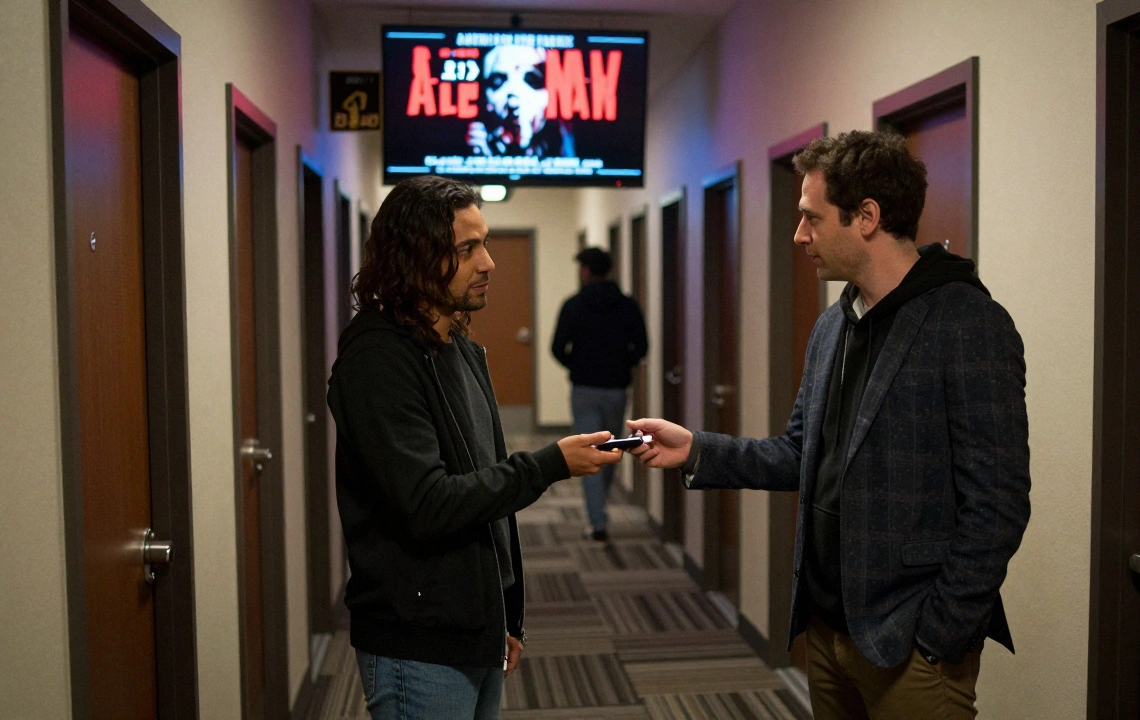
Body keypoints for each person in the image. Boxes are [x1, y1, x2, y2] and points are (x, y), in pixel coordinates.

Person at [628, 131, 1031, 720]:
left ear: (866, 217)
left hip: (912, 647)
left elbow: (998, 502)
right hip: (826, 631)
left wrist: (940, 633)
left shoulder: (966, 323)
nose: (799, 236)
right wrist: (696, 450)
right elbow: (800, 453)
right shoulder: (833, 327)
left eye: (811, 218)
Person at [327, 175, 622, 720]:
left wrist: (503, 615)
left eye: (484, 243)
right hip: (418, 643)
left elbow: (483, 495)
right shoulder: (377, 361)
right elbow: (427, 503)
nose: (488, 262)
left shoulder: (454, 345)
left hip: (473, 625)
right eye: (467, 249)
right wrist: (549, 464)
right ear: (415, 257)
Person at [551, 247, 648, 541]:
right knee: (609, 449)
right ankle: (599, 513)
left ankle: (597, 520)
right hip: (616, 389)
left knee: (589, 451)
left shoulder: (574, 305)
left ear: (586, 271)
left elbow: (557, 347)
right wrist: (621, 365)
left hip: (584, 389)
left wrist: (576, 366)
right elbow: (641, 347)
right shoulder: (628, 305)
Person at [467, 45, 574, 158]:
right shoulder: (481, 144)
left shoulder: (564, 144)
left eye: (531, 80)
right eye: (498, 82)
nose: (513, 103)